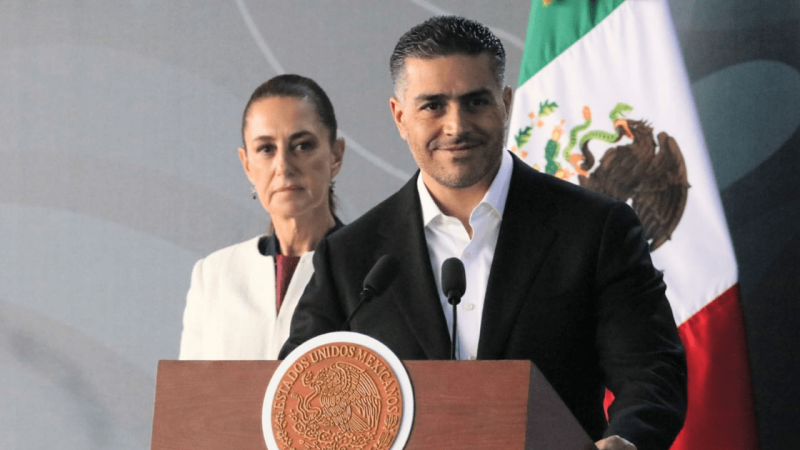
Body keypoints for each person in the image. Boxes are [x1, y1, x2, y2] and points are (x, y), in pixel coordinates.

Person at [280, 16, 686, 450]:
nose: (456, 126)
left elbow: (651, 372)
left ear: (505, 103)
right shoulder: (348, 257)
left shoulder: (596, 229)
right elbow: (295, 389)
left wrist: (626, 440)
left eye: (475, 102)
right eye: (433, 106)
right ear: (400, 117)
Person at [179, 74, 345, 360]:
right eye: (266, 149)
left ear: (335, 155)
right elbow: (189, 387)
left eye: (302, 145)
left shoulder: (370, 273)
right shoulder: (214, 275)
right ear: (247, 165)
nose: (283, 166)